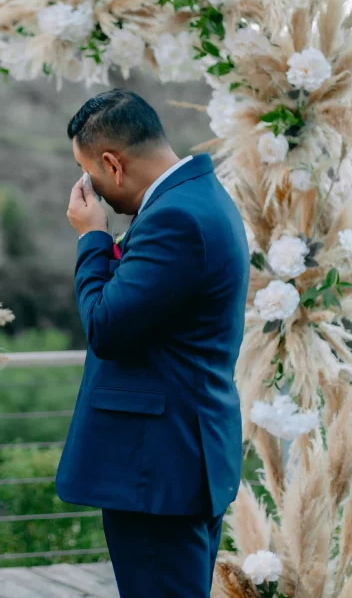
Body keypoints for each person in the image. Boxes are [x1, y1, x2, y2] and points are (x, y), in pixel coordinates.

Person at [59, 90, 249, 596]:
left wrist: (91, 239)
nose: (93, 192)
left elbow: (107, 328)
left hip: (156, 468)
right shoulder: (198, 197)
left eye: (90, 177)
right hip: (179, 457)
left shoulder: (174, 218)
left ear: (112, 165)